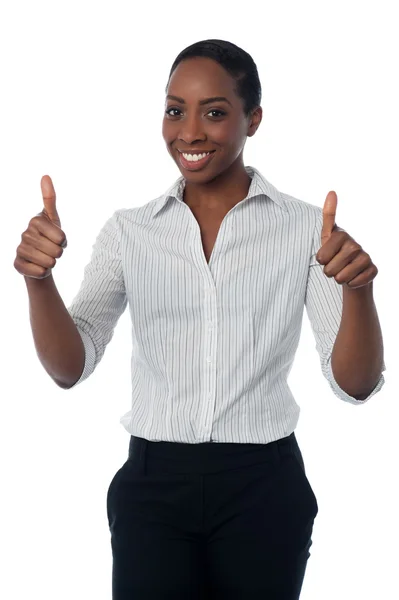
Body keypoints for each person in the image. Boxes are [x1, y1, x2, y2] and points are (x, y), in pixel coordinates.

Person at [15, 39, 385, 599]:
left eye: (214, 112)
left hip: (264, 486)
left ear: (253, 119)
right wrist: (37, 281)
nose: (189, 132)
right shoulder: (129, 231)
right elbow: (71, 366)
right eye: (174, 110)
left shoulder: (310, 231)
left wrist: (359, 290)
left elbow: (354, 385)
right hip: (152, 487)